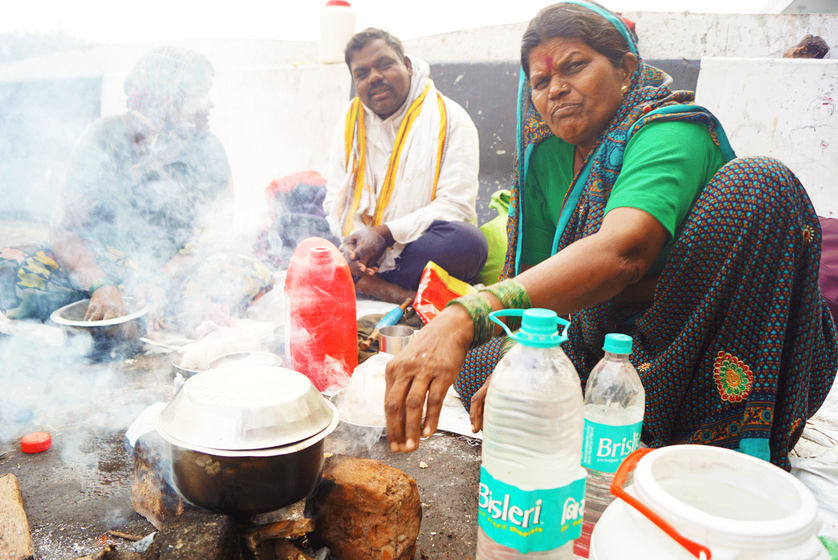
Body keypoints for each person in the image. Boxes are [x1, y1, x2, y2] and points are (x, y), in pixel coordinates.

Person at [383, 1, 838, 471]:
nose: (556, 88)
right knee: (481, 362)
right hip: (600, 341)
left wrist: (464, 316)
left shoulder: (668, 130)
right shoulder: (546, 159)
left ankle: (704, 433)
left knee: (758, 182)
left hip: (694, 340)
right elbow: (533, 287)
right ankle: (595, 403)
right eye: (540, 83)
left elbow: (625, 252)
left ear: (625, 68)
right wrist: (520, 362)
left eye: (575, 66)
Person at [0, 46, 273, 331]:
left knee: (250, 269)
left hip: (178, 272)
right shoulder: (105, 135)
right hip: (110, 263)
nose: (209, 104)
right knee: (13, 266)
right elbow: (64, 229)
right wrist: (99, 282)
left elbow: (209, 237)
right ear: (165, 97)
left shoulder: (209, 149)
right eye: (199, 94)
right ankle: (123, 302)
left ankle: (153, 305)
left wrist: (162, 279)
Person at [323, 28, 488, 304]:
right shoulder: (349, 122)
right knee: (301, 233)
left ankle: (363, 282)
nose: (374, 77)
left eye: (384, 64)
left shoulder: (451, 118)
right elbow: (335, 199)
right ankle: (381, 284)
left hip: (412, 250)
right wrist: (353, 247)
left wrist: (384, 235)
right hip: (362, 250)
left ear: (408, 66)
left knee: (468, 244)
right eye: (362, 74)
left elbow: (455, 206)